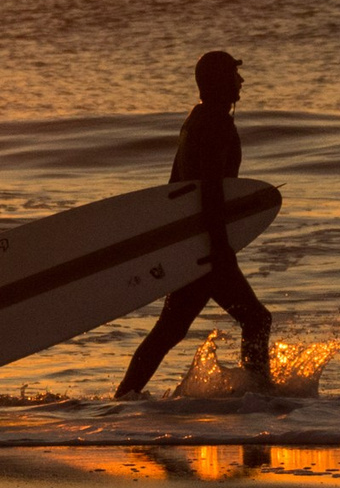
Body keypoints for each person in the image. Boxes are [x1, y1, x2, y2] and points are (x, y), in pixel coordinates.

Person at [114, 49, 276, 398]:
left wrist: (179, 242)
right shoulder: (217, 122)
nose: (241, 81)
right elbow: (211, 191)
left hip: (194, 242)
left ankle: (122, 400)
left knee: (169, 330)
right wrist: (220, 249)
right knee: (256, 320)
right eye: (235, 74)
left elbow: (176, 186)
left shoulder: (196, 118)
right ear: (221, 82)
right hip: (206, 245)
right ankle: (258, 397)